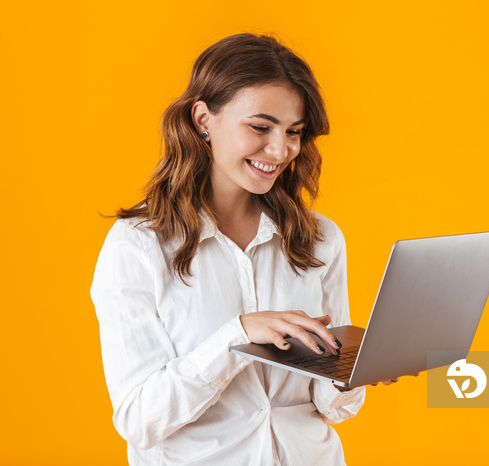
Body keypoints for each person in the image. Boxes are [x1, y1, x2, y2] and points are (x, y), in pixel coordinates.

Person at [91, 33, 399, 465]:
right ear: (203, 120)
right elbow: (139, 420)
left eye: (294, 132)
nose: (280, 150)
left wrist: (353, 373)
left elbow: (331, 408)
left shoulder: (320, 239)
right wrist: (238, 335)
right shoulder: (139, 245)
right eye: (260, 127)